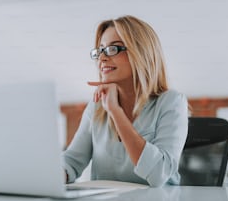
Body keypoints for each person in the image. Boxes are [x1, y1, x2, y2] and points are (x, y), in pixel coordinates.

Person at [62, 15, 188, 187]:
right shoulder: (97, 106)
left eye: (113, 49)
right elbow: (72, 161)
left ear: (141, 52)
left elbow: (159, 174)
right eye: (100, 50)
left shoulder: (171, 102)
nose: (102, 58)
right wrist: (53, 175)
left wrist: (115, 112)